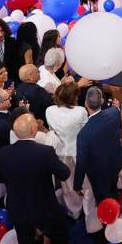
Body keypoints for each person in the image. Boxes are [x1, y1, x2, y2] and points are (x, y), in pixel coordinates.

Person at [0, 113, 72, 244]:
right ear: (33, 130)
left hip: (18, 208)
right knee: (60, 239)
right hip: (46, 208)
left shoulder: (4, 153)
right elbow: (65, 173)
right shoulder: (45, 152)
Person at [74, 86, 122, 204]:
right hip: (116, 162)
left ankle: (108, 218)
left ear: (85, 104)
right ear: (103, 101)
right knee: (113, 189)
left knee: (104, 200)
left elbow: (81, 162)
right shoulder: (114, 112)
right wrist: (116, 106)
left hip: (100, 173)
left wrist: (77, 185)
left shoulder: (83, 135)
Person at [46, 80, 89, 216]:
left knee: (68, 185)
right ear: (74, 98)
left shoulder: (50, 110)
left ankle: (74, 211)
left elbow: (51, 129)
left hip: (61, 153)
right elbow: (85, 130)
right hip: (78, 152)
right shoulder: (81, 111)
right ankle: (88, 210)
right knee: (85, 182)